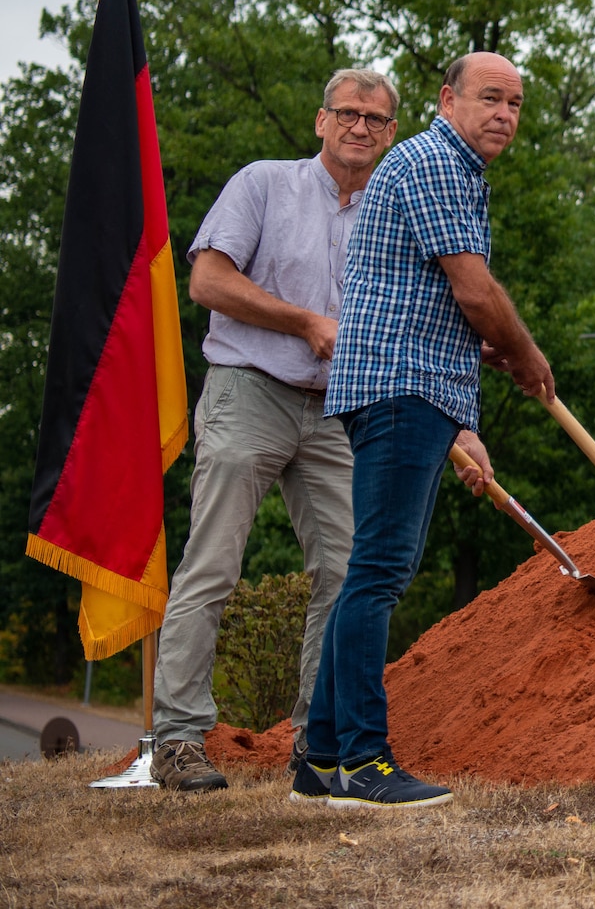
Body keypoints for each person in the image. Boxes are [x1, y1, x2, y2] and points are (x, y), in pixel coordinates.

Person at [298, 52, 554, 810]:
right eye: (489, 98)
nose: (504, 113)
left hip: (410, 384)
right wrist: (526, 352)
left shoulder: (446, 169)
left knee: (370, 571)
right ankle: (363, 762)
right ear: (448, 99)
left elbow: (435, 307)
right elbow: (474, 291)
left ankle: (318, 759)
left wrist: (467, 412)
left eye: (514, 103)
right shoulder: (436, 162)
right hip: (398, 387)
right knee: (376, 572)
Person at [149, 70, 400, 793]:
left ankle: (314, 740)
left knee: (351, 571)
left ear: (390, 135)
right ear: (320, 120)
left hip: (334, 410)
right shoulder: (263, 183)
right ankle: (178, 738)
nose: (360, 126)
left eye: (376, 119)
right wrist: (303, 321)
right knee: (213, 563)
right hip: (248, 387)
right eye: (347, 113)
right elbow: (208, 282)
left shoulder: (388, 214)